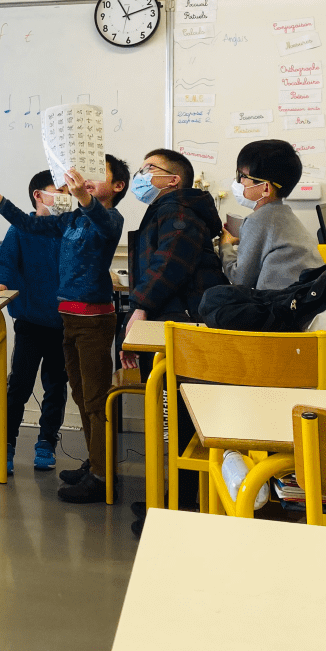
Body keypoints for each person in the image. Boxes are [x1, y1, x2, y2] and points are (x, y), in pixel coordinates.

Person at [0, 154, 129, 504]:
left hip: (93, 319)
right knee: (80, 395)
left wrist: (83, 197)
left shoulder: (110, 218)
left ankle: (102, 476)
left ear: (117, 186)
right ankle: (95, 463)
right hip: (68, 319)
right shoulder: (72, 219)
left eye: (97, 175)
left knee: (94, 398)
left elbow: (102, 221)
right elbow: (29, 225)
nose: (85, 180)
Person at [121, 147, 226, 531]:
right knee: (178, 417)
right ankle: (172, 500)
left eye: (150, 168)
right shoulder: (171, 208)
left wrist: (140, 306)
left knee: (183, 418)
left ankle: (180, 509)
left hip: (183, 324)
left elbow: (170, 262)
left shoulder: (178, 210)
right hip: (177, 322)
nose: (141, 175)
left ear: (173, 180)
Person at [0, 169, 67, 476]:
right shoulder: (20, 230)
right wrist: (0, 282)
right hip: (31, 321)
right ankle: (4, 447)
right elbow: (4, 263)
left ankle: (46, 443)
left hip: (64, 323)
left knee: (56, 386)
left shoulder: (69, 228)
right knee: (18, 387)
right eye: (59, 191)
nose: (66, 197)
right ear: (38, 195)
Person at [220, 139, 320, 289]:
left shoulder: (258, 220)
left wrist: (225, 246)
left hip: (277, 302)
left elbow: (240, 279)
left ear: (265, 188)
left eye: (243, 176)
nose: (239, 182)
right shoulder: (284, 214)